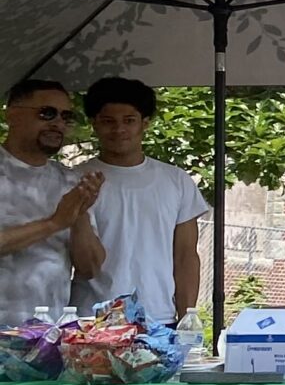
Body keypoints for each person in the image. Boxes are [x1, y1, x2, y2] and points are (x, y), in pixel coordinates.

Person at [68, 78, 209, 325]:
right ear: (94, 124)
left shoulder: (175, 180)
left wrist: (187, 318)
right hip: (90, 319)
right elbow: (78, 258)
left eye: (129, 121)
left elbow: (186, 255)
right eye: (108, 121)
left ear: (145, 124)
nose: (119, 129)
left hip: (158, 319)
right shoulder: (75, 180)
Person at [0, 78, 104, 325]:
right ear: (12, 115)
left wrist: (79, 216)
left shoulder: (70, 181)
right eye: (47, 113)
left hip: (48, 338)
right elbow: (57, 222)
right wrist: (54, 223)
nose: (58, 123)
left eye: (66, 116)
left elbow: (90, 269)